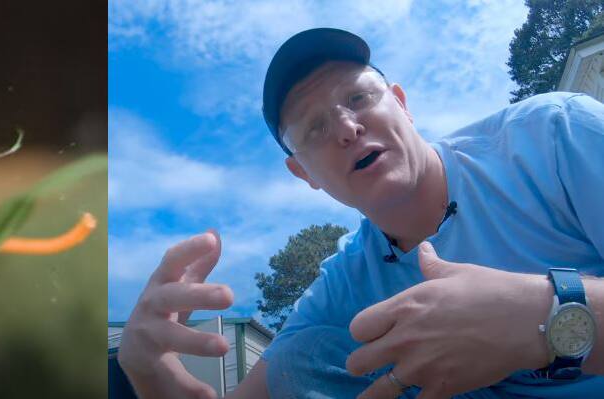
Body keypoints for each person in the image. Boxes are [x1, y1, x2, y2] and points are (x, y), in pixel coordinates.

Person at [115, 27, 604, 399]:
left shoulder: (553, 137)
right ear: (303, 174)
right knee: (306, 358)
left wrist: (546, 314)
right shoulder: (346, 280)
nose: (347, 128)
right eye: (314, 130)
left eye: (358, 98)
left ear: (402, 105)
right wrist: (150, 373)